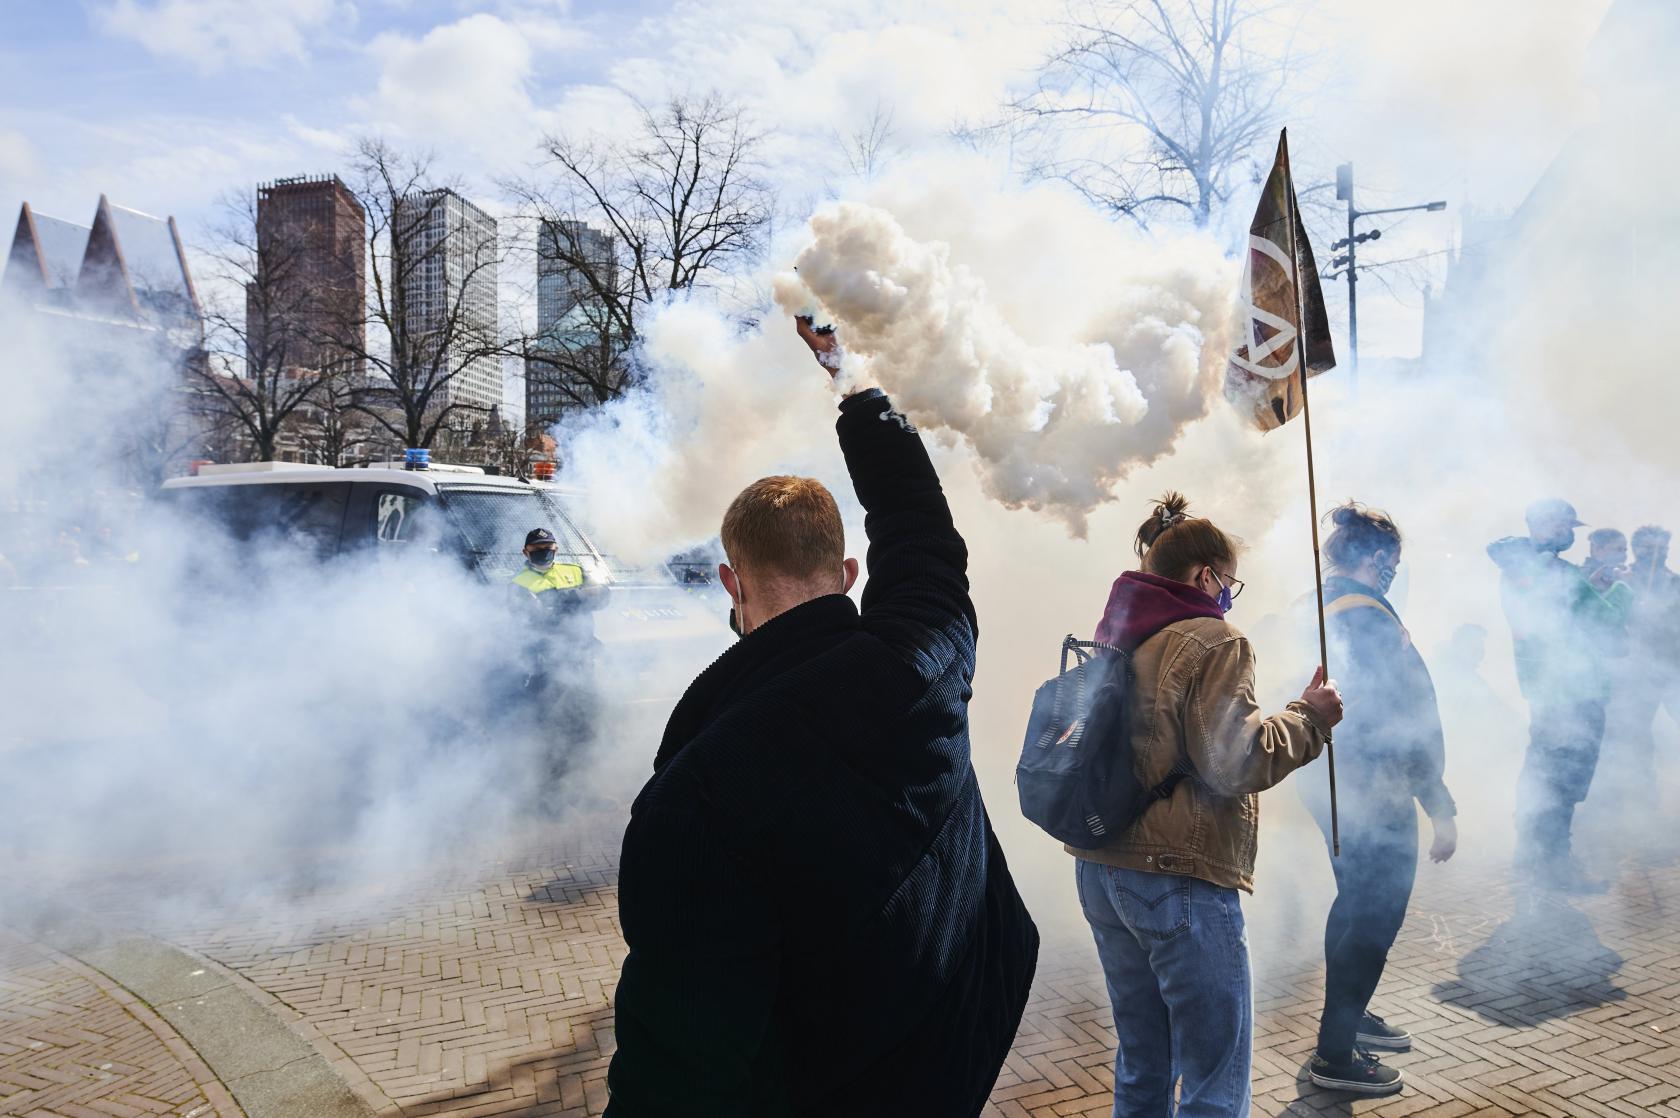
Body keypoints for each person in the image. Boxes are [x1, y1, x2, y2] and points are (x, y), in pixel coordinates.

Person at [605, 316, 1039, 1116]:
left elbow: (675, 1070)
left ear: (732, 586)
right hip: (959, 1051)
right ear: (846, 572)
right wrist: (855, 381)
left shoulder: (696, 799)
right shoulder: (927, 654)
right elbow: (921, 531)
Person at [1070, 492, 1342, 1117]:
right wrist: (1309, 719)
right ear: (1204, 576)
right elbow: (1234, 762)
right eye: (1228, 583)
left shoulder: (1117, 630)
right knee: (1214, 1078)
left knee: (1143, 1060)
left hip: (1101, 868)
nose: (1227, 596)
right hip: (1177, 877)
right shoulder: (1213, 639)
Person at [1299, 503, 1456, 1097]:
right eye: (1391, 558)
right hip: (1373, 785)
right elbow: (1406, 717)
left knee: (1355, 900)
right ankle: (1336, 1053)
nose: (1396, 569)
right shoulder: (1366, 617)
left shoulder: (1314, 602)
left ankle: (1349, 1008)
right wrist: (1437, 803)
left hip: (1330, 779)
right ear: (1376, 557)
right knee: (1373, 911)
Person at [1488, 499, 1632, 892]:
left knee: (1543, 772)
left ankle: (1533, 858)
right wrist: (1622, 589)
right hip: (1573, 690)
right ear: (1547, 523)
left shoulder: (1520, 567)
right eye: (1568, 525)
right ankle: (1555, 869)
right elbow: (1603, 620)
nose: (1571, 533)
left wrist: (1593, 587)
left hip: (1548, 688)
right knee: (1562, 780)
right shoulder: (1554, 571)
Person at [1600, 525, 1680, 812]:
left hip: (1672, 670)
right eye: (1648, 548)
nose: (1656, 554)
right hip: (1634, 673)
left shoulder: (1675, 583)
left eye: (1662, 548)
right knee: (1636, 739)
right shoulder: (1621, 578)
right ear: (1635, 549)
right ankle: (1644, 807)